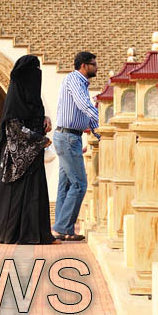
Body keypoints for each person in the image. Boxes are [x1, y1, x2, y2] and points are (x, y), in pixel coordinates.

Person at [0, 54, 55, 244]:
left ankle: (38, 234)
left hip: (33, 155)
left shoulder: (33, 97)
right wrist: (40, 139)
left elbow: (36, 114)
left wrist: (45, 119)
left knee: (36, 195)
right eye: (34, 72)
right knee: (18, 196)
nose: (38, 75)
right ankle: (13, 235)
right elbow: (14, 129)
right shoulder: (15, 99)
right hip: (16, 158)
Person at [52, 50, 99, 241]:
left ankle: (64, 229)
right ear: (84, 66)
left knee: (66, 185)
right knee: (79, 184)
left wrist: (97, 131)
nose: (97, 67)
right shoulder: (75, 81)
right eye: (94, 64)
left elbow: (83, 114)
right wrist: (102, 121)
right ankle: (63, 227)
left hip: (69, 136)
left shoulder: (76, 81)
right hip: (68, 138)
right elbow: (84, 105)